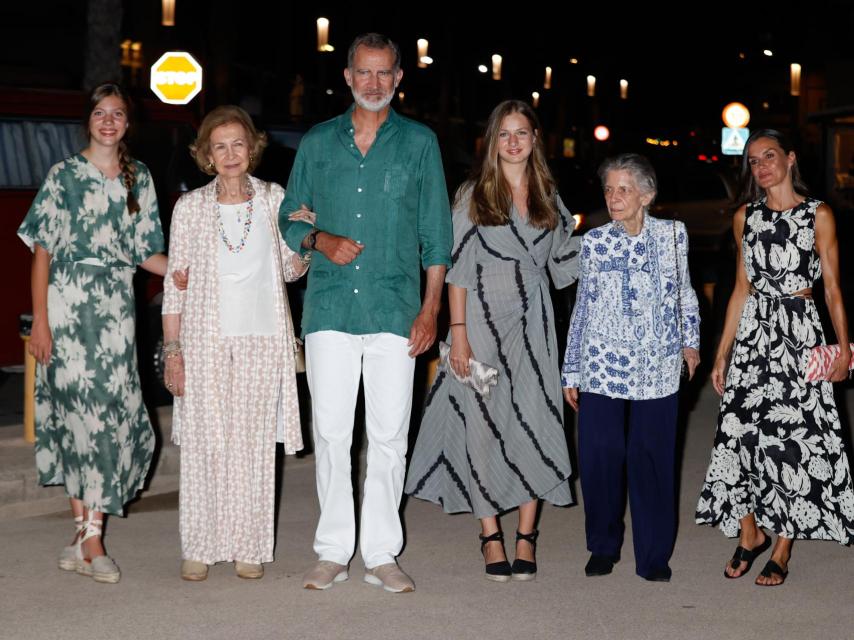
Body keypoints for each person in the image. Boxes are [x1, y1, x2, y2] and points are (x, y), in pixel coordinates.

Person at [279, 33, 452, 593]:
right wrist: (319, 239)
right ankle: (332, 550)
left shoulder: (420, 143)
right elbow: (289, 216)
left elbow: (436, 236)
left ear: (399, 78)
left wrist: (430, 310)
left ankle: (381, 553)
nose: (374, 83)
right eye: (364, 73)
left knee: (389, 435)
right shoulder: (318, 142)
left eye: (385, 74)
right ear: (348, 77)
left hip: (396, 309)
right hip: (330, 307)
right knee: (330, 432)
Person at [405, 100, 579, 582]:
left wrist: (621, 241)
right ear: (492, 141)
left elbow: (567, 262)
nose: (513, 142)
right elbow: (456, 270)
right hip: (480, 322)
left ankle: (526, 535)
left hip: (535, 327)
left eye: (521, 132)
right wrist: (457, 337)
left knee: (538, 422)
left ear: (535, 139)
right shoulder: (473, 195)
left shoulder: (548, 193)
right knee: (482, 427)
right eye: (504, 134)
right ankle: (489, 535)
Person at [17, 82, 168, 584]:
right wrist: (40, 320)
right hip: (66, 306)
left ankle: (80, 537)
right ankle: (93, 538)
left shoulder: (138, 177)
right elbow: (42, 250)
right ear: (89, 121)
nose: (108, 121)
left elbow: (147, 252)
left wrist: (191, 270)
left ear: (128, 122)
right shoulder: (63, 175)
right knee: (77, 417)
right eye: (100, 113)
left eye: (118, 113)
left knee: (111, 416)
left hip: (116, 313)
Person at [696, 129, 854, 586]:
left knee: (794, 436)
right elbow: (741, 289)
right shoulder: (746, 217)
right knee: (737, 432)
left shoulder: (817, 214)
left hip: (800, 331)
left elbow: (832, 289)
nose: (761, 166)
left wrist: (843, 348)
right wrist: (721, 353)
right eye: (753, 161)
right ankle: (750, 533)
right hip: (753, 335)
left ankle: (782, 544)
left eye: (769, 156)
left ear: (789, 158)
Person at [161, 105, 312, 581]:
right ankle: (200, 546)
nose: (229, 154)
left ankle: (248, 544)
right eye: (219, 146)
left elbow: (290, 271)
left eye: (238, 144)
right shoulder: (191, 207)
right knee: (206, 445)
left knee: (252, 448)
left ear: (252, 148)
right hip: (204, 340)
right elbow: (174, 284)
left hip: (262, 341)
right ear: (206, 154)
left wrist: (305, 238)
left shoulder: (273, 199)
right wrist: (173, 352)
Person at [561, 153, 701, 582]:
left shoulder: (673, 236)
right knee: (600, 454)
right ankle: (603, 545)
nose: (614, 196)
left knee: (652, 457)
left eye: (624, 189)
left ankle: (653, 555)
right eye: (609, 189)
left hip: (657, 361)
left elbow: (684, 293)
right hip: (602, 360)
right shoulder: (595, 241)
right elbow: (582, 306)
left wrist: (690, 342)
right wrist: (572, 369)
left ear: (647, 195)